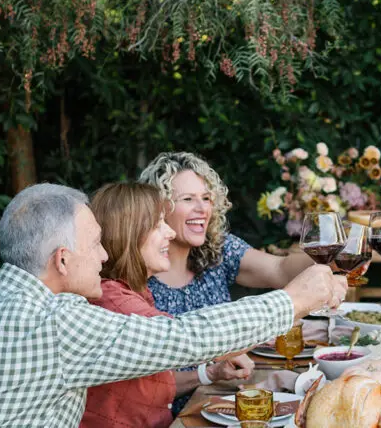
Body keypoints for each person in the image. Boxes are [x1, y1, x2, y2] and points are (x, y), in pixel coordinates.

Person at [0, 183, 346, 427]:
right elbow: (185, 337)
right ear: (62, 260)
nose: (103, 257)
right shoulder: (52, 320)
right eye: (95, 245)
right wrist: (294, 300)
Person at [138, 151, 318, 412]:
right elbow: (138, 387)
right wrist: (208, 373)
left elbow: (280, 270)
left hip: (223, 403)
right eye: (188, 199)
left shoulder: (217, 250)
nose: (202, 209)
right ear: (158, 208)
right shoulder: (136, 274)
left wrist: (331, 254)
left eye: (207, 198)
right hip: (169, 417)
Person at [80, 182, 256, 428]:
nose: (170, 233)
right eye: (157, 225)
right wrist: (293, 303)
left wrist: (210, 373)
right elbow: (188, 339)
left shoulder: (131, 292)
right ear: (129, 235)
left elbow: (150, 388)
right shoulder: (113, 301)